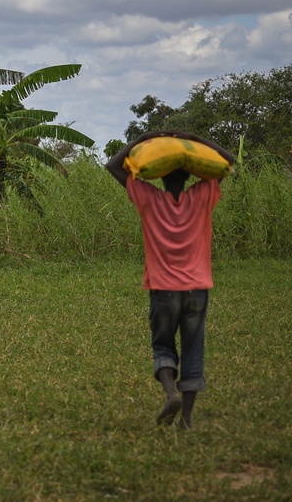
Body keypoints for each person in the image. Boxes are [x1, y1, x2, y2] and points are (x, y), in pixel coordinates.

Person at [106, 131, 235, 429]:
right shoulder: (203, 196)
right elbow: (228, 162)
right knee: (193, 349)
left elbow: (113, 166)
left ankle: (170, 394)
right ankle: (186, 420)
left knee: (163, 347)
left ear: (162, 178)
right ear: (189, 175)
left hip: (163, 289)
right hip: (197, 290)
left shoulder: (149, 199)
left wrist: (146, 137)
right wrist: (193, 138)